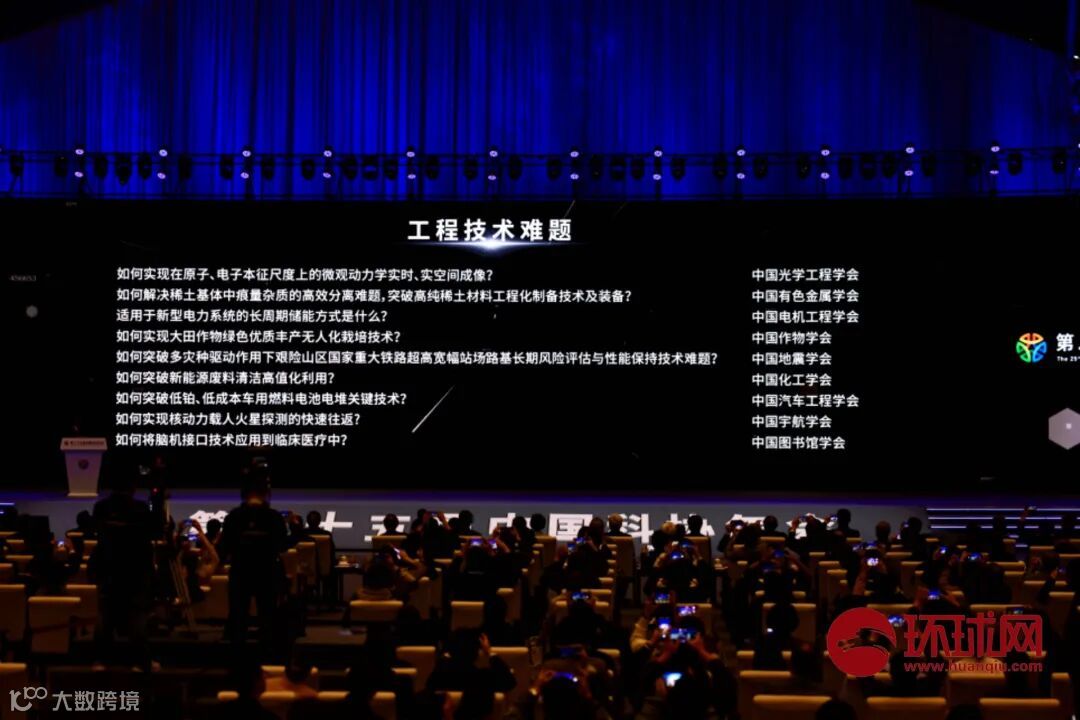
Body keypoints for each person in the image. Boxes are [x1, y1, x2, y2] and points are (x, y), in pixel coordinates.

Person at [219, 465, 288, 658]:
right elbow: (282, 546)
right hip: (267, 573)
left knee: (238, 616)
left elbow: (225, 547)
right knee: (267, 616)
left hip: (240, 573)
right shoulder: (274, 517)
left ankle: (237, 660)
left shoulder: (234, 516)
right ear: (266, 493)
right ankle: (267, 658)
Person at [91, 467, 155, 669]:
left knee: (106, 616)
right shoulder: (141, 509)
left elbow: (99, 535)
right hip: (136, 570)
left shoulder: (101, 507)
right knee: (137, 616)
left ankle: (101, 660)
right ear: (133, 487)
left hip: (108, 566)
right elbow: (150, 536)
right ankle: (140, 661)